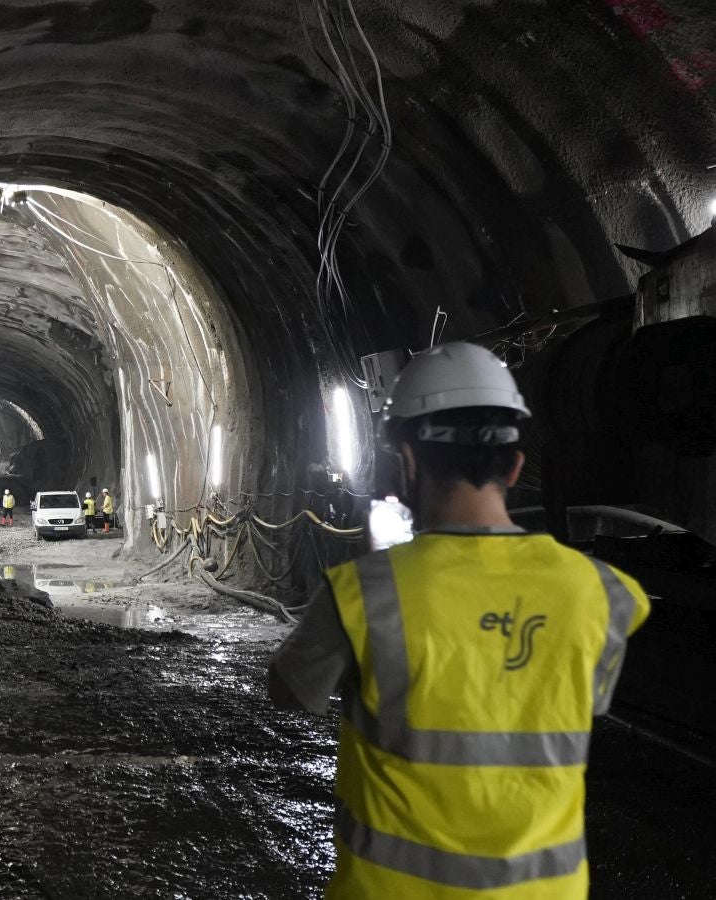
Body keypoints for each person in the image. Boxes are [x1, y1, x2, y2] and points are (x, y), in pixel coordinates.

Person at [267, 342, 649, 899]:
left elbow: (289, 691)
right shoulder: (604, 593)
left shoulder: (366, 594)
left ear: (408, 459)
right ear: (517, 464)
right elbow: (565, 700)